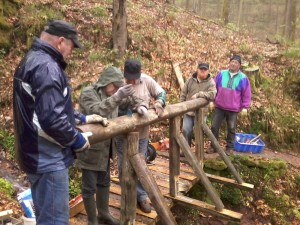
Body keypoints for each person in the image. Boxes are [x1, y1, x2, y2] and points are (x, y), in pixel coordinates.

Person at [13, 19, 106, 224]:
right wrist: (77, 140)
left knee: (46, 216)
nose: (71, 52)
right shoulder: (47, 67)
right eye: (71, 47)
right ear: (61, 41)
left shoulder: (32, 59)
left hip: (33, 154)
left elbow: (44, 107)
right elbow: (51, 121)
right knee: (54, 220)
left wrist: (82, 118)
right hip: (48, 158)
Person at [77, 66, 145, 225]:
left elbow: (132, 99)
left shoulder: (114, 93)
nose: (115, 89)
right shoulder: (88, 93)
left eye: (117, 86)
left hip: (107, 149)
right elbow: (97, 110)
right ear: (105, 82)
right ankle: (92, 221)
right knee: (89, 187)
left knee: (104, 182)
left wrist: (141, 106)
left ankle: (104, 214)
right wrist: (117, 96)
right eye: (113, 85)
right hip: (90, 148)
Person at [116, 59, 166, 213]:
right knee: (122, 166)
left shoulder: (147, 81)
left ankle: (142, 196)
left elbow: (162, 93)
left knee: (141, 165)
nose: (131, 80)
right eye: (128, 77)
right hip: (121, 133)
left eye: (133, 77)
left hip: (142, 133)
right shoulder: (117, 83)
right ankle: (128, 195)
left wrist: (159, 103)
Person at [210, 55, 251, 154]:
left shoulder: (243, 78)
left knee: (231, 128)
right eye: (232, 62)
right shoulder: (221, 74)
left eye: (236, 62)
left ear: (239, 66)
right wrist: (211, 100)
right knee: (214, 126)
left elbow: (247, 93)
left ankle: (230, 148)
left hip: (233, 108)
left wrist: (245, 107)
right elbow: (213, 88)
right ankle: (214, 146)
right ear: (229, 63)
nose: (233, 64)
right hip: (219, 106)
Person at [180, 63, 217, 147]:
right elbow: (183, 93)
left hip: (201, 112)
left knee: (199, 131)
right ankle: (186, 150)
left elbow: (212, 95)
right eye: (201, 70)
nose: (203, 72)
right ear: (197, 69)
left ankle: (199, 153)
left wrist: (199, 94)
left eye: (205, 70)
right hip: (188, 111)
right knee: (186, 130)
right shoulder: (190, 80)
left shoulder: (211, 82)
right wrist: (181, 107)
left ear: (208, 71)